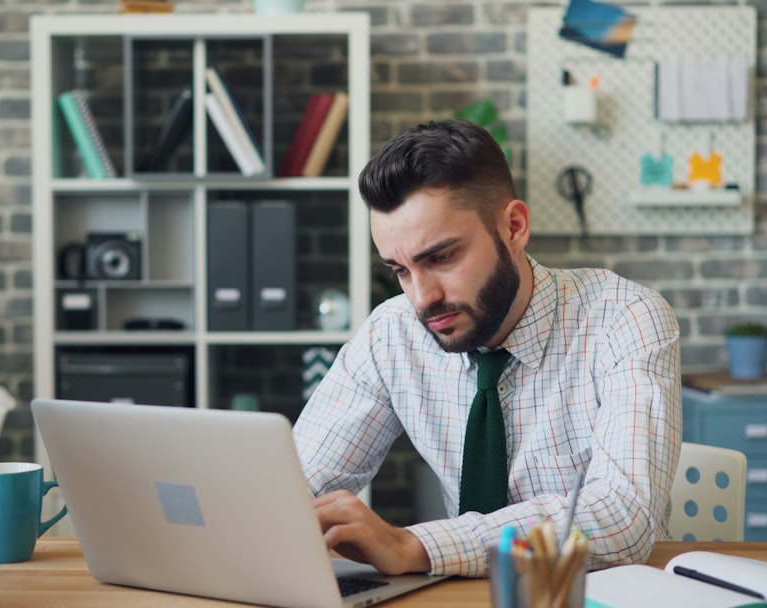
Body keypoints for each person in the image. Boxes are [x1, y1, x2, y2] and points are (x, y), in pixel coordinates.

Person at [292, 119, 682, 578]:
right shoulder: (391, 334)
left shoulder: (624, 318)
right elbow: (296, 488)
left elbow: (624, 517)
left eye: (441, 257)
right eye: (400, 270)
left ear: (514, 227)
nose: (422, 298)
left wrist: (415, 544)